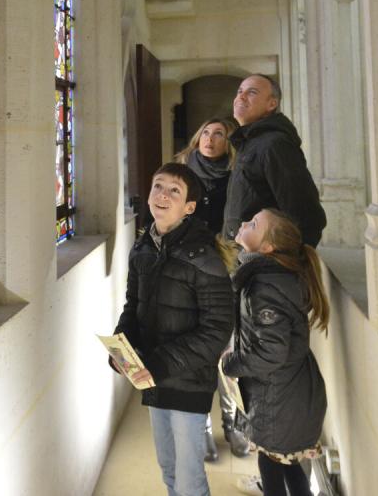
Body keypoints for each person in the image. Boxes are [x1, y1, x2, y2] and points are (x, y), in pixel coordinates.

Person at [112, 162, 234, 496]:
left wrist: (161, 363)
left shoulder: (204, 257)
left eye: (174, 191)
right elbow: (133, 305)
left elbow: (217, 330)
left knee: (189, 478)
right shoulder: (143, 246)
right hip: (154, 377)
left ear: (189, 207)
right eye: (158, 186)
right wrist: (122, 348)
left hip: (187, 382)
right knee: (168, 468)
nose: (162, 195)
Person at [221, 208, 328, 496]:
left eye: (254, 223)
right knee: (288, 466)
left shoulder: (265, 285)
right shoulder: (271, 276)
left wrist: (230, 363)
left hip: (278, 398)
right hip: (288, 393)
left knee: (273, 470)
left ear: (267, 247)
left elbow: (270, 352)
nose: (244, 223)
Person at [176, 118, 250, 461]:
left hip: (227, 270)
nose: (210, 137)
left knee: (228, 349)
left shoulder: (237, 177)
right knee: (197, 351)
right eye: (205, 131)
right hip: (189, 272)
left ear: (228, 143)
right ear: (196, 138)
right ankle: (203, 425)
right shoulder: (180, 173)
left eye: (218, 133)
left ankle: (233, 421)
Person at [222, 74, 327, 247]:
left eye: (252, 92)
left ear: (272, 104)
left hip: (263, 257)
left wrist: (291, 262)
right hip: (245, 253)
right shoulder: (250, 142)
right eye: (240, 91)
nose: (240, 97)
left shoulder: (274, 145)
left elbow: (307, 214)